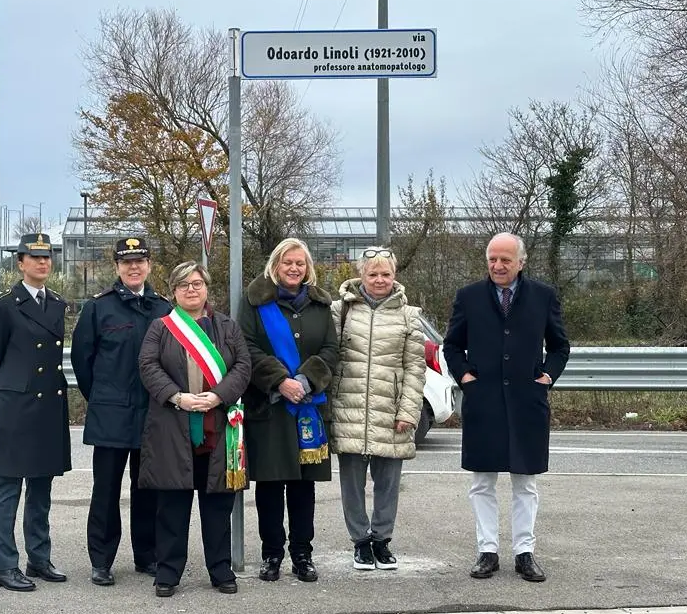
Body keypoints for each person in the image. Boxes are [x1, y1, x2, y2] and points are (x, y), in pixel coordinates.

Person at [442, 232, 570, 583]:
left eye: (505, 260)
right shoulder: (468, 297)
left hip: (527, 402)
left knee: (525, 482)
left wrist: (547, 377)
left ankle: (524, 553)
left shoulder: (543, 296)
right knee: (482, 481)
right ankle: (487, 551)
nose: (497, 266)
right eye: (492, 259)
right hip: (484, 403)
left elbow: (560, 346)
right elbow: (451, 345)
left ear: (521, 262)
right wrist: (466, 376)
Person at [137, 261, 252, 597]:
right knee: (171, 507)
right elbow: (148, 365)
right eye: (184, 284)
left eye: (198, 283)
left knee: (218, 506)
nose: (191, 289)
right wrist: (177, 397)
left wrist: (218, 395)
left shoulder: (227, 327)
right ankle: (168, 573)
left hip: (219, 431)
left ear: (206, 288)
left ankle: (220, 569)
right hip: (173, 428)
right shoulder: (160, 328)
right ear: (173, 291)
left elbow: (243, 366)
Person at [70, 237, 172, 586]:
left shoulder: (163, 308)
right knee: (106, 491)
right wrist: (101, 397)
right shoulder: (99, 308)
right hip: (111, 415)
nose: (133, 267)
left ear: (149, 265)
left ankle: (147, 556)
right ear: (117, 266)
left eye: (139, 261)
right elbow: (82, 362)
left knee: (148, 489)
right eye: (126, 262)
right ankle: (101, 560)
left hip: (152, 416)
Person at [238, 237, 339, 583]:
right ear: (275, 265)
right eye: (287, 263)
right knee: (270, 486)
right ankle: (271, 554)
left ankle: (302, 554)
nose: (294, 268)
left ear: (307, 267)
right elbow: (246, 347)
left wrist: (307, 381)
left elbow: (330, 350)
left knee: (302, 486)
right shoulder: (254, 303)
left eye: (300, 263)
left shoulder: (320, 305)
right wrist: (281, 381)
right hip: (269, 408)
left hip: (308, 408)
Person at [0, 232, 71, 592]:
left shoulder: (58, 303)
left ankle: (39, 558)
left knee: (42, 487)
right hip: (13, 407)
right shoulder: (3, 305)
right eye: (34, 258)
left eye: (47, 257)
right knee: (7, 488)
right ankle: (4, 567)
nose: (42, 263)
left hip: (47, 405)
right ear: (20, 263)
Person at [329, 246, 427, 571]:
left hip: (391, 410)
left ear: (395, 275)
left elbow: (415, 368)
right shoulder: (339, 311)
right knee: (351, 482)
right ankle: (360, 542)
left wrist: (408, 412)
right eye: (373, 273)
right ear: (361, 275)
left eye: (386, 273)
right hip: (349, 406)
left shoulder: (409, 316)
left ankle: (382, 541)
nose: (380, 279)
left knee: (388, 483)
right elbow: (330, 359)